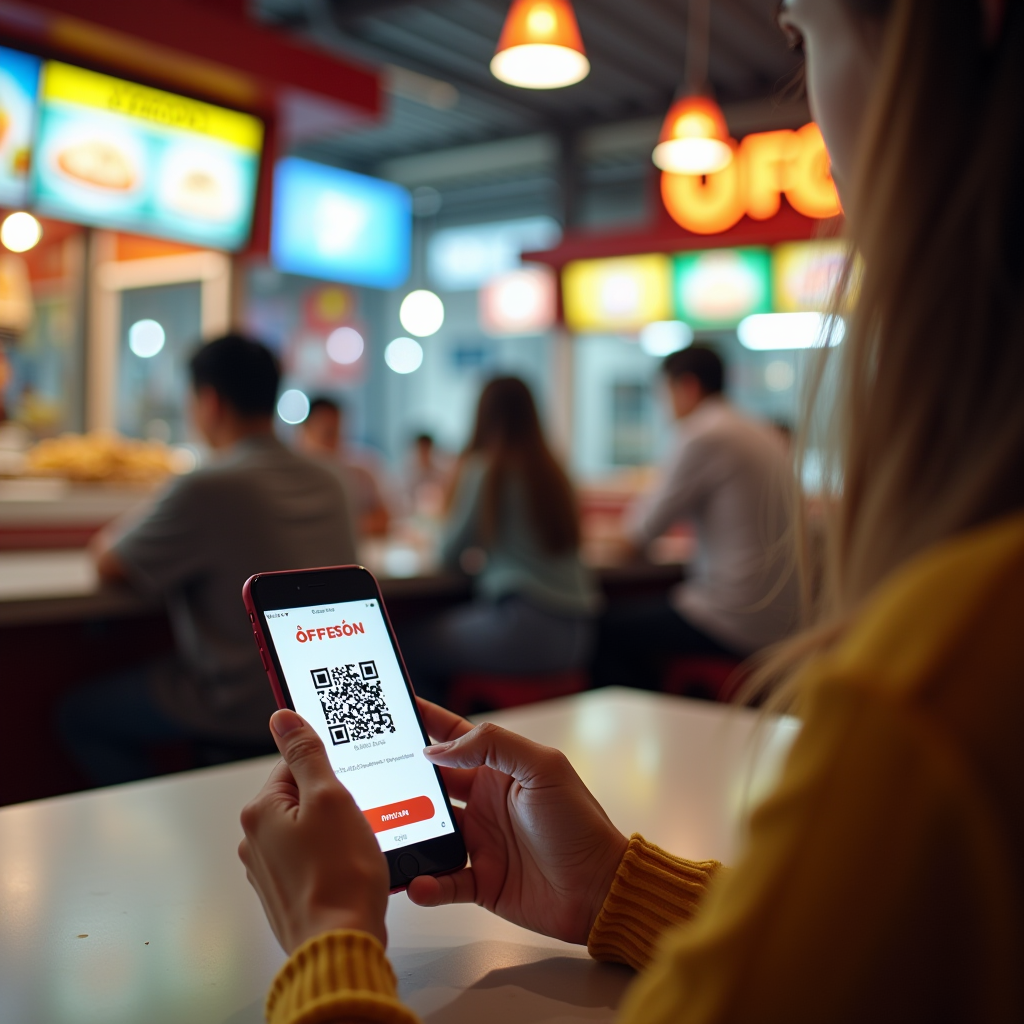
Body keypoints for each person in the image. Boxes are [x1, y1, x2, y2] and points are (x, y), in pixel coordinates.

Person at [239, 1, 1024, 1021]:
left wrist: (330, 943)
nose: (812, 107)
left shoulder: (945, 670)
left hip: (695, 626)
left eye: (799, 34)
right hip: (701, 634)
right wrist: (617, 888)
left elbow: (604, 534)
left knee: (450, 638)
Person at [60, 335, 357, 786]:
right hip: (327, 702)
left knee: (80, 716)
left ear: (209, 401)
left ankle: (154, 828)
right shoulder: (330, 479)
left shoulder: (208, 486)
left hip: (236, 704)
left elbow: (109, 561)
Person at [592, 345, 799, 691]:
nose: (665, 407)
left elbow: (639, 533)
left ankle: (649, 725)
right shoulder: (757, 430)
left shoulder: (704, 434)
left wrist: (594, 535)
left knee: (604, 630)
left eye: (665, 394)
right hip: (782, 617)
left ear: (686, 387)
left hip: (734, 617)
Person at [399, 377, 599, 702]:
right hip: (579, 639)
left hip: (522, 629)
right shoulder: (555, 471)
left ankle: (442, 748)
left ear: (483, 415)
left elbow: (449, 555)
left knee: (402, 646)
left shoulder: (486, 468)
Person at [298, 396, 394, 538]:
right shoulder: (293, 477)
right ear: (305, 432)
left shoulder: (360, 471)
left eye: (339, 432)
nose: (335, 441)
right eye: (328, 433)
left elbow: (384, 520)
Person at [404, 431, 452, 518]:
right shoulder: (408, 472)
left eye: (427, 449)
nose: (424, 452)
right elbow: (404, 498)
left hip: (436, 515)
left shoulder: (440, 472)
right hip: (413, 515)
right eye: (422, 449)